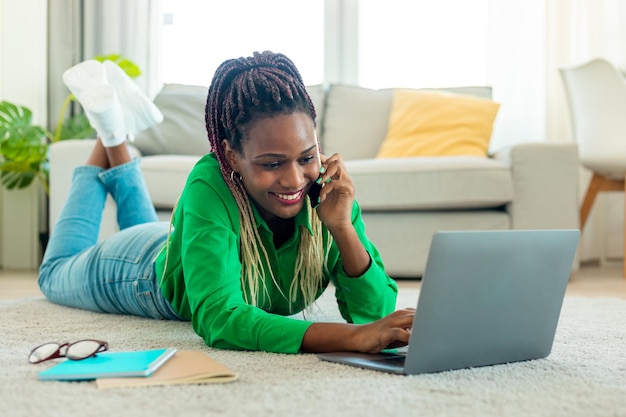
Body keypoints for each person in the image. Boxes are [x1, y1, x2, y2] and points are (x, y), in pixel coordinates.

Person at [39, 51, 414, 354]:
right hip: (140, 271)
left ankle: (115, 128)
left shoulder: (329, 191)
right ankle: (107, 125)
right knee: (54, 274)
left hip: (191, 243)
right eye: (271, 164)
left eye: (306, 157)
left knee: (148, 224)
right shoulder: (209, 183)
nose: (294, 179)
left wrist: (342, 228)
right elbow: (220, 318)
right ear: (232, 157)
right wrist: (349, 338)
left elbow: (378, 316)